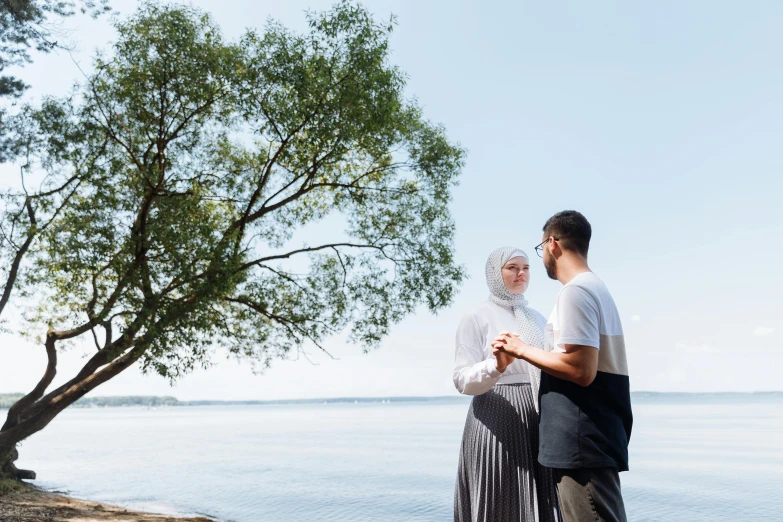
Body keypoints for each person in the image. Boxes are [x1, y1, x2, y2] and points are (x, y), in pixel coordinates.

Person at [492, 211, 633, 522]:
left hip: (582, 438)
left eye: (540, 250)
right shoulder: (596, 288)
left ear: (552, 244)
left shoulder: (576, 292)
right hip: (595, 437)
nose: (542, 258)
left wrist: (521, 349)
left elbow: (582, 370)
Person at [453, 246, 561, 522]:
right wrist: (497, 366)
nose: (520, 274)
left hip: (538, 413)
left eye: (525, 268)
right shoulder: (476, 316)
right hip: (496, 415)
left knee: (544, 498)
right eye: (512, 267)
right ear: (495, 273)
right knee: (499, 498)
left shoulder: (537, 318)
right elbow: (462, 379)